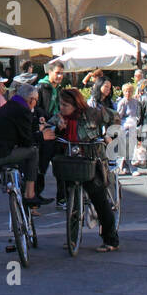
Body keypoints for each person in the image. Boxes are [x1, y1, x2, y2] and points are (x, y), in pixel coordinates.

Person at [0, 80, 52, 259]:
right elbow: (27, 141)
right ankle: (30, 193)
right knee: (32, 152)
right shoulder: (22, 111)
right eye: (35, 100)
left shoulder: (7, 108)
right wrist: (41, 135)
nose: (36, 104)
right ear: (30, 100)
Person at [51, 87, 119, 251]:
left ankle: (110, 239)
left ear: (76, 104)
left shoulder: (93, 113)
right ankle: (72, 238)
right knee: (72, 204)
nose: (62, 108)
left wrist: (109, 135)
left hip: (92, 160)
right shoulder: (61, 117)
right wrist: (55, 128)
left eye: (65, 105)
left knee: (99, 200)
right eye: (61, 104)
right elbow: (47, 126)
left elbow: (115, 117)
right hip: (70, 161)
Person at [115, 82, 141, 175]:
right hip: (125, 127)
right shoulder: (122, 102)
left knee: (131, 148)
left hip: (134, 127)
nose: (128, 93)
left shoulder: (135, 102)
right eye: (126, 91)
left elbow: (138, 114)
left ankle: (128, 167)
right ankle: (131, 168)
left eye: (130, 91)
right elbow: (119, 116)